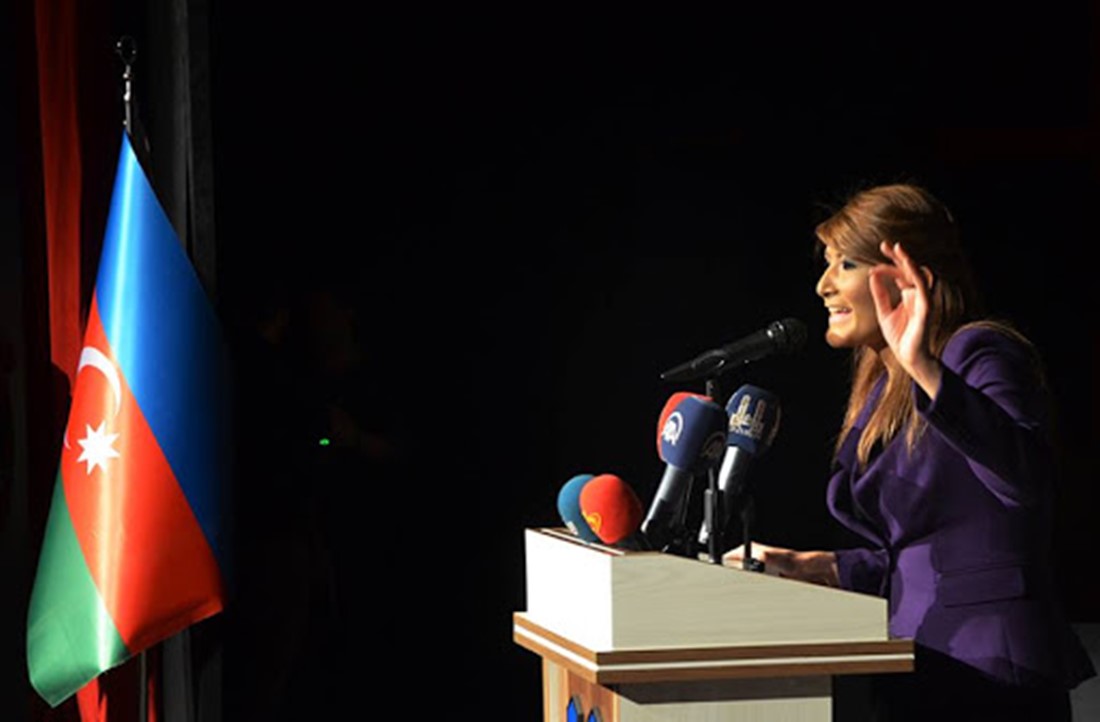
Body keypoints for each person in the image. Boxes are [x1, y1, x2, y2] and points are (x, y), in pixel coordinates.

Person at [724, 183, 1095, 721]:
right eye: (827, 265)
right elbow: (917, 558)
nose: (824, 286)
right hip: (917, 660)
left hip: (992, 670)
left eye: (845, 264)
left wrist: (925, 367)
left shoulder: (978, 352)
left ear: (905, 276)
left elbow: (1025, 478)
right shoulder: (881, 387)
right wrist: (814, 566)